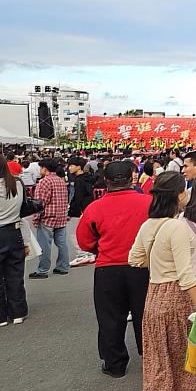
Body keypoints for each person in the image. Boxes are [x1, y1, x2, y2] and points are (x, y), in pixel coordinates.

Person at [128, 171, 196, 390]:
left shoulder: (148, 225)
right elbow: (185, 275)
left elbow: (134, 259)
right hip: (177, 298)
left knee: (160, 361)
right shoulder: (177, 226)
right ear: (181, 195)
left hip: (154, 296)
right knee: (188, 362)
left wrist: (158, 262)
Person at [77, 161, 152, 378]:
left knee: (110, 317)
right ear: (132, 177)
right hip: (143, 266)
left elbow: (84, 241)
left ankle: (115, 364)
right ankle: (151, 358)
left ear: (106, 181)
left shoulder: (94, 207)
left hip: (108, 267)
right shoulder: (149, 202)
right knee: (145, 315)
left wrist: (99, 247)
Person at [30, 158, 70, 279]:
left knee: (44, 245)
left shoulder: (44, 182)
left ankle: (43, 270)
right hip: (61, 216)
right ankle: (63, 267)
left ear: (45, 169)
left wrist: (36, 218)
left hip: (47, 217)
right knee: (62, 243)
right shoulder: (60, 180)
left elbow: (40, 203)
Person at [0, 154, 27, 326]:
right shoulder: (17, 183)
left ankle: (1, 316)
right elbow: (24, 208)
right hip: (14, 231)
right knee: (15, 274)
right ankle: (18, 312)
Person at [66, 156, 96, 266]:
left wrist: (71, 212)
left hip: (79, 211)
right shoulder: (88, 178)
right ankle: (89, 254)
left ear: (79, 167)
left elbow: (77, 198)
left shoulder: (78, 181)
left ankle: (81, 255)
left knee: (73, 233)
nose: (69, 168)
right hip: (88, 209)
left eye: (72, 166)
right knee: (87, 233)